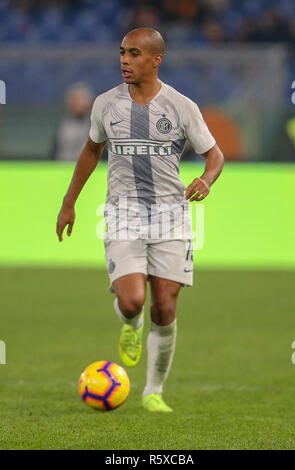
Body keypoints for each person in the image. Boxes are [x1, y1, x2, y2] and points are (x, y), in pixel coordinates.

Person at [56, 27, 224, 412]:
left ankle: (153, 391)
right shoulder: (105, 104)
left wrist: (206, 179)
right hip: (123, 214)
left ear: (155, 59)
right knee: (133, 301)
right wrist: (69, 202)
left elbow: (214, 156)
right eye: (122, 52)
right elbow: (91, 151)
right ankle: (129, 325)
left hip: (171, 217)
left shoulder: (182, 106)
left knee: (164, 308)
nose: (124, 61)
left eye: (133, 54)